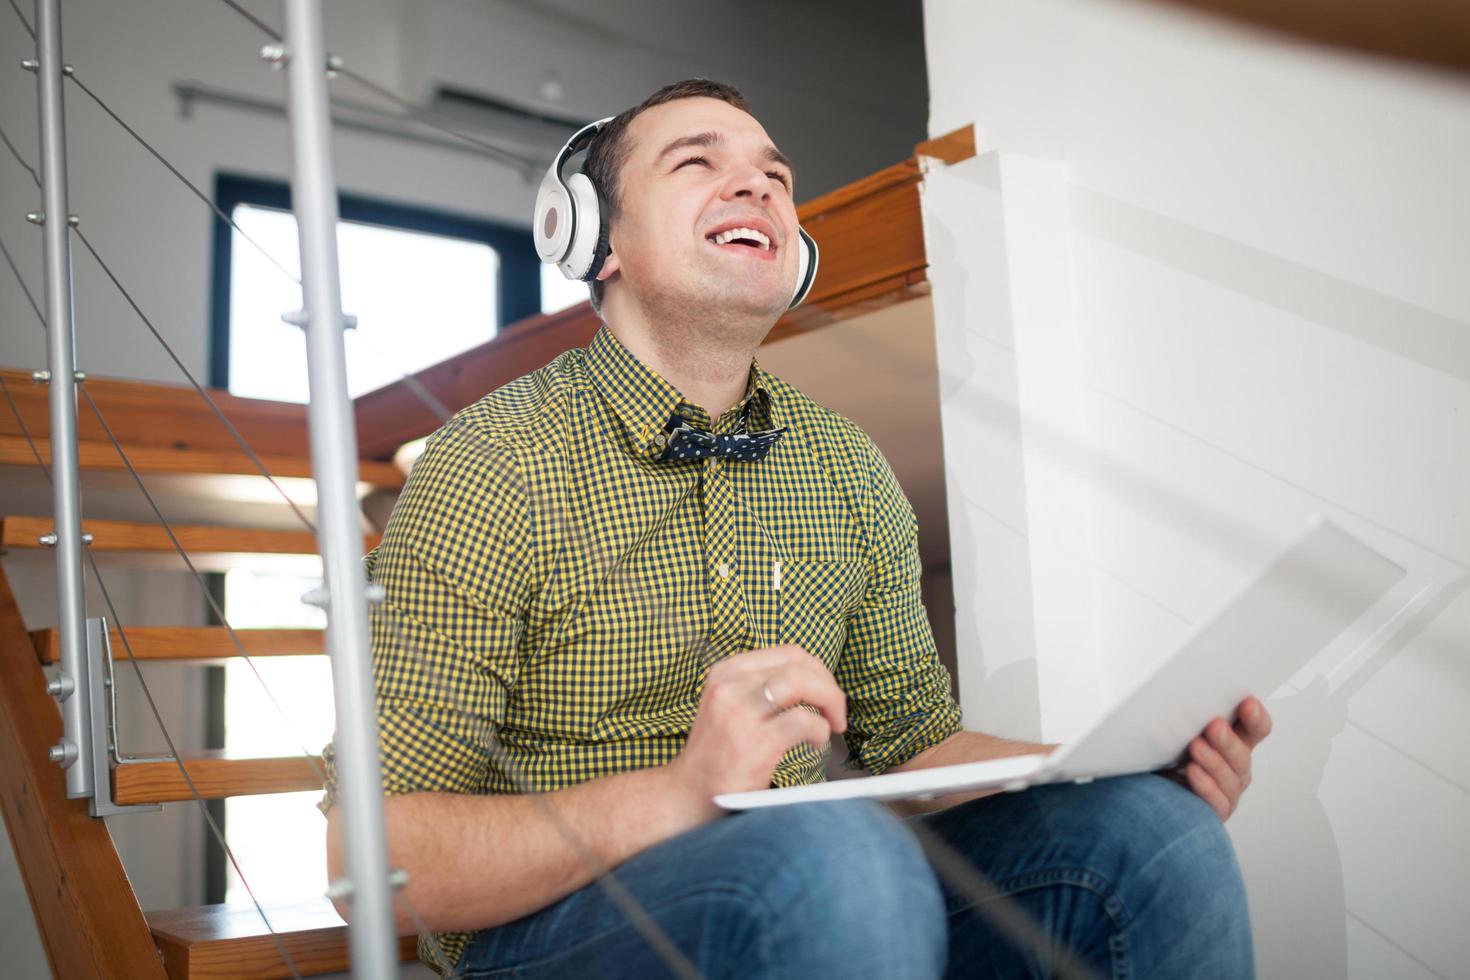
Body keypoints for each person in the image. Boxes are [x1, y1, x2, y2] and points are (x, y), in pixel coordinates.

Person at [323, 78, 1272, 978]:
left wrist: (1117, 763)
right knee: (838, 856)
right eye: (697, 162)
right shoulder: (492, 466)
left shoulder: (845, 467)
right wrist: (678, 795)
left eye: (775, 177)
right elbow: (367, 860)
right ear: (594, 239)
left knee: (1154, 836)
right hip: (554, 932)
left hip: (828, 892)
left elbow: (918, 752)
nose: (757, 185)